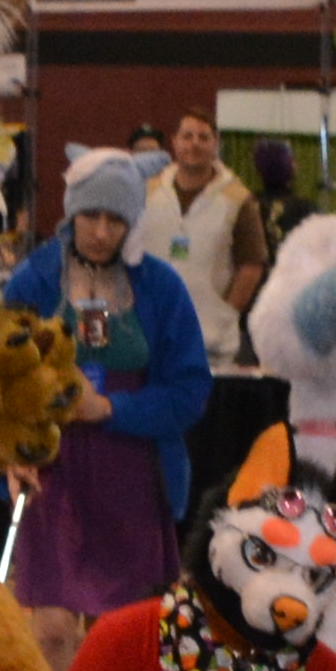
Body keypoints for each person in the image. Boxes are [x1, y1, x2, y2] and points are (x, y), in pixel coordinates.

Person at [0, 148, 218, 616]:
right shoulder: (33, 281)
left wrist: (111, 409)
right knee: (50, 627)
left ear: (133, 222)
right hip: (53, 470)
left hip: (133, 476)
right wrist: (10, 452)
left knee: (123, 625)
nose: (101, 232)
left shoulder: (160, 287)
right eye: (91, 216)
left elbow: (190, 390)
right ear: (70, 212)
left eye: (116, 220)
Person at [131, 101, 274, 461]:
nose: (194, 144)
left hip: (212, 347)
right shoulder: (145, 193)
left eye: (203, 137)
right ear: (174, 142)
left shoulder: (238, 199)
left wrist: (226, 312)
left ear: (215, 144)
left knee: (206, 447)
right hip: (150, 342)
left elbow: (252, 264)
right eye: (187, 136)